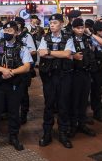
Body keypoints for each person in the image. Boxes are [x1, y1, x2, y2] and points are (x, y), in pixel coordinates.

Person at [0, 21, 32, 156]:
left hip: (14, 85)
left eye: (10, 31)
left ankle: (13, 137)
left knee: (14, 112)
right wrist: (3, 70)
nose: (7, 33)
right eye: (5, 30)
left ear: (17, 32)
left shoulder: (22, 47)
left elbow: (27, 66)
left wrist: (11, 72)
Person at [38, 13, 75, 149]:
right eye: (50, 23)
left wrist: (49, 52)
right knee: (49, 105)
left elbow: (67, 54)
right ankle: (47, 133)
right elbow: (41, 53)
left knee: (63, 105)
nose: (52, 25)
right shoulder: (45, 37)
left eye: (55, 23)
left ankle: (63, 133)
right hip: (49, 76)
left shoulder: (68, 38)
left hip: (64, 76)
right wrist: (57, 53)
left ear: (61, 24)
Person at [68, 18, 100, 138]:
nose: (80, 30)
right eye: (78, 28)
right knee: (74, 100)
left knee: (84, 100)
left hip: (86, 73)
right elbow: (64, 53)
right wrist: (73, 55)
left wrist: (90, 33)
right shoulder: (68, 38)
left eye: (82, 27)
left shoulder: (87, 38)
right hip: (74, 73)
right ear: (73, 28)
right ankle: (73, 125)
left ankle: (82, 124)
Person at [14, 16, 37, 125]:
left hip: (24, 68)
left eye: (17, 23)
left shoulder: (27, 36)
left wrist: (21, 54)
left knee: (23, 93)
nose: (16, 25)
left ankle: (23, 114)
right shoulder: (11, 36)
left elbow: (33, 51)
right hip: (13, 69)